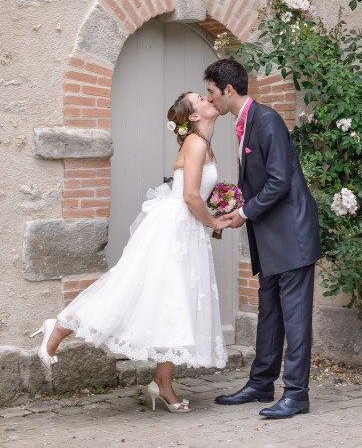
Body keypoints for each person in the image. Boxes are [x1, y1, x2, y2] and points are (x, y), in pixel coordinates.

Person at [30, 92, 230, 413]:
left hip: (184, 230)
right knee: (128, 290)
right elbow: (192, 197)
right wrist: (216, 221)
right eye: (201, 98)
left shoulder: (201, 142)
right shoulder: (195, 143)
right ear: (193, 116)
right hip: (175, 230)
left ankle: (162, 385)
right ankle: (60, 325)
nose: (209, 99)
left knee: (172, 303)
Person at [204, 58, 322, 419]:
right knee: (269, 313)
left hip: (291, 237)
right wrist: (235, 206)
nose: (209, 101)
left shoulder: (267, 120)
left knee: (295, 318)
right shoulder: (244, 124)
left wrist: (242, 212)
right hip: (270, 237)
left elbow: (278, 182)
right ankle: (261, 383)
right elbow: (257, 182)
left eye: (211, 93)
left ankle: (297, 394)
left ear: (228, 90)